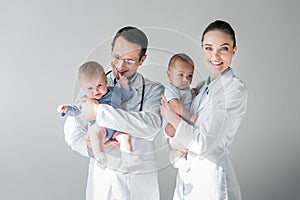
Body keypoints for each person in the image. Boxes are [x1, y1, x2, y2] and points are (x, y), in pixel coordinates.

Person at [64, 26, 164, 200]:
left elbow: (151, 126)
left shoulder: (153, 90)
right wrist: (89, 148)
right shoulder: (92, 85)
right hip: (101, 184)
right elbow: (72, 130)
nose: (120, 65)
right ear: (111, 49)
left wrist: (99, 111)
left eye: (129, 60)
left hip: (137, 184)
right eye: (117, 57)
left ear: (142, 60)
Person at [161, 20, 248, 200]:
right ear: (202, 49)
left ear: (234, 50)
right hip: (186, 177)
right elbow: (171, 138)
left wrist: (172, 118)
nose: (215, 55)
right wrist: (174, 144)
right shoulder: (199, 89)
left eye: (223, 48)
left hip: (211, 181)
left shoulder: (234, 90)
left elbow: (203, 144)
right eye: (208, 48)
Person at [58, 61, 137, 167]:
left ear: (105, 81)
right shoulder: (86, 99)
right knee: (94, 134)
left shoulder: (115, 92)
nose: (96, 91)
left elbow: (128, 96)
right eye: (90, 88)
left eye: (99, 85)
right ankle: (100, 157)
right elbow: (76, 110)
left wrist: (125, 85)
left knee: (125, 137)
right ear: (84, 88)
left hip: (116, 128)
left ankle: (128, 158)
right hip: (100, 128)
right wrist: (66, 109)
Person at [163, 53, 198, 168]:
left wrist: (192, 94)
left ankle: (180, 153)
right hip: (171, 126)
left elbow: (187, 101)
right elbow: (175, 106)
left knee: (184, 142)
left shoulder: (186, 90)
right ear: (169, 75)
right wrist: (190, 117)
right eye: (180, 75)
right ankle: (177, 151)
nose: (185, 80)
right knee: (173, 130)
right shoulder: (171, 89)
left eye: (190, 76)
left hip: (182, 127)